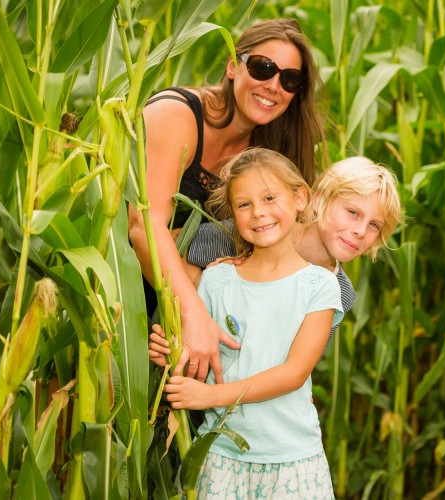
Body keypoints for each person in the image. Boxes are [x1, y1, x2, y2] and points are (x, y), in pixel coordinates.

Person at [129, 18, 325, 382]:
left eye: (289, 79)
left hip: (199, 312)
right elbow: (143, 226)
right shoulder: (177, 115)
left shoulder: (268, 151)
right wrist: (195, 316)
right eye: (263, 67)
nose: (273, 85)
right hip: (126, 300)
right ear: (233, 66)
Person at [151, 148, 343, 498]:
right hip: (219, 456)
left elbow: (293, 373)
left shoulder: (320, 285)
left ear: (300, 197)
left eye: (270, 198)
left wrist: (210, 395)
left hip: (292, 460)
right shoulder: (217, 279)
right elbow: (201, 360)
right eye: (244, 205)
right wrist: (172, 352)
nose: (259, 213)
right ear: (233, 215)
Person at [181, 156, 403, 354]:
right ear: (317, 201)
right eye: (353, 212)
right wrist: (204, 285)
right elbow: (170, 250)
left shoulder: (340, 291)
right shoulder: (253, 232)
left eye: (374, 225)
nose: (361, 231)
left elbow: (298, 364)